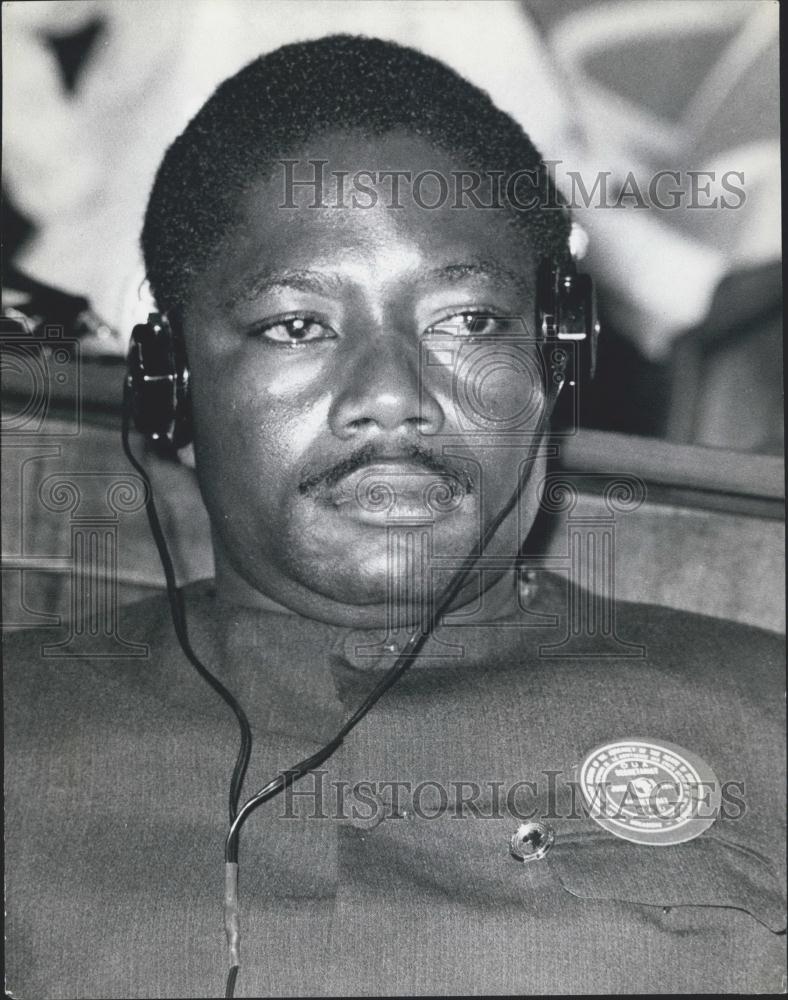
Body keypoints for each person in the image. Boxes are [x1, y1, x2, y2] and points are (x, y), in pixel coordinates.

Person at [4, 35, 784, 998]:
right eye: (297, 325)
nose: (390, 394)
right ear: (170, 383)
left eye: (467, 321)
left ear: (556, 360)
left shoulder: (767, 718)